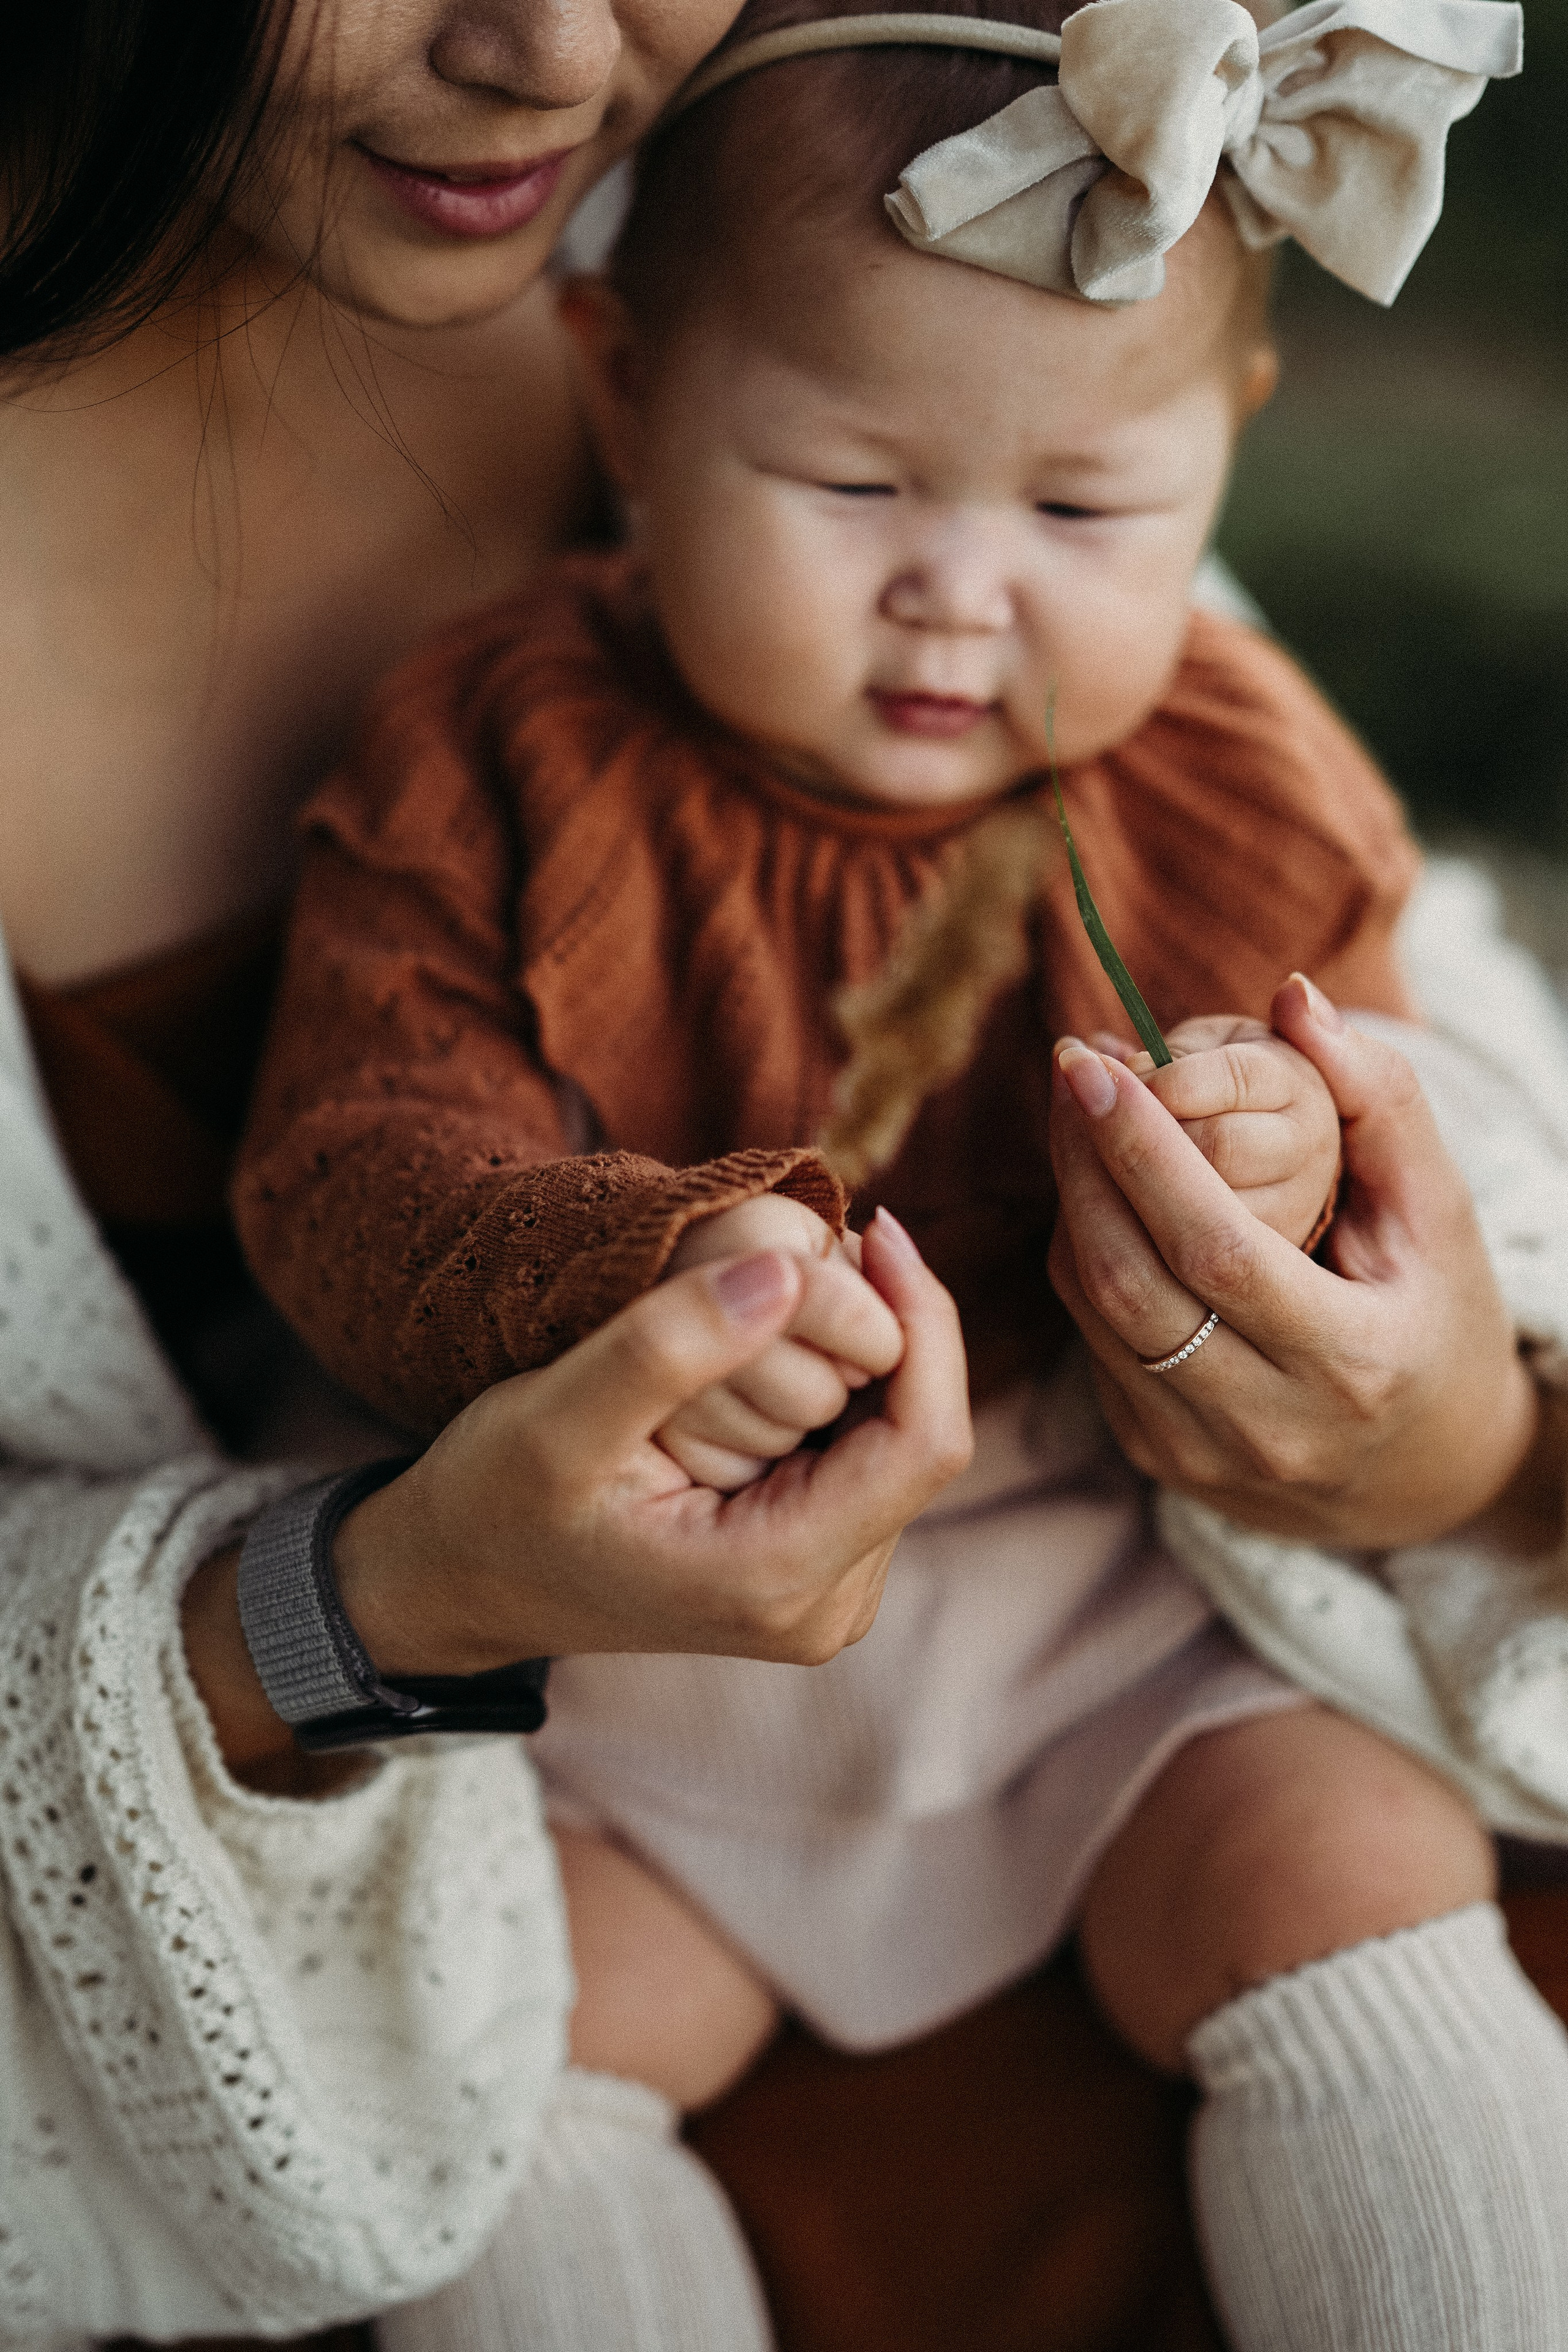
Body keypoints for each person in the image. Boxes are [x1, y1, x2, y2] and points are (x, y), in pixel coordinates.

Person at [232, 2, 1568, 2345]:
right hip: (643, 1672)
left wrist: (1278, 1141)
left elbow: (1407, 1130)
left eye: (1081, 513)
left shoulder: (1231, 773)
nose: (963, 591)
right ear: (626, 398)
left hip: (1100, 1612)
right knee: (483, 2077)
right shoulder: (493, 750)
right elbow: (349, 1165)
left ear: (1222, 450)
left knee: (1354, 1865)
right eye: (854, 488)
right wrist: (609, 1273)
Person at [0, 3, 971, 2340]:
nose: (550, 54)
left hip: (1067, 1837)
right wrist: (377, 1604)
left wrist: (1436, 1407)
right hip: (334, 2113)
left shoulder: (757, 220)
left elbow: (1230, 819)